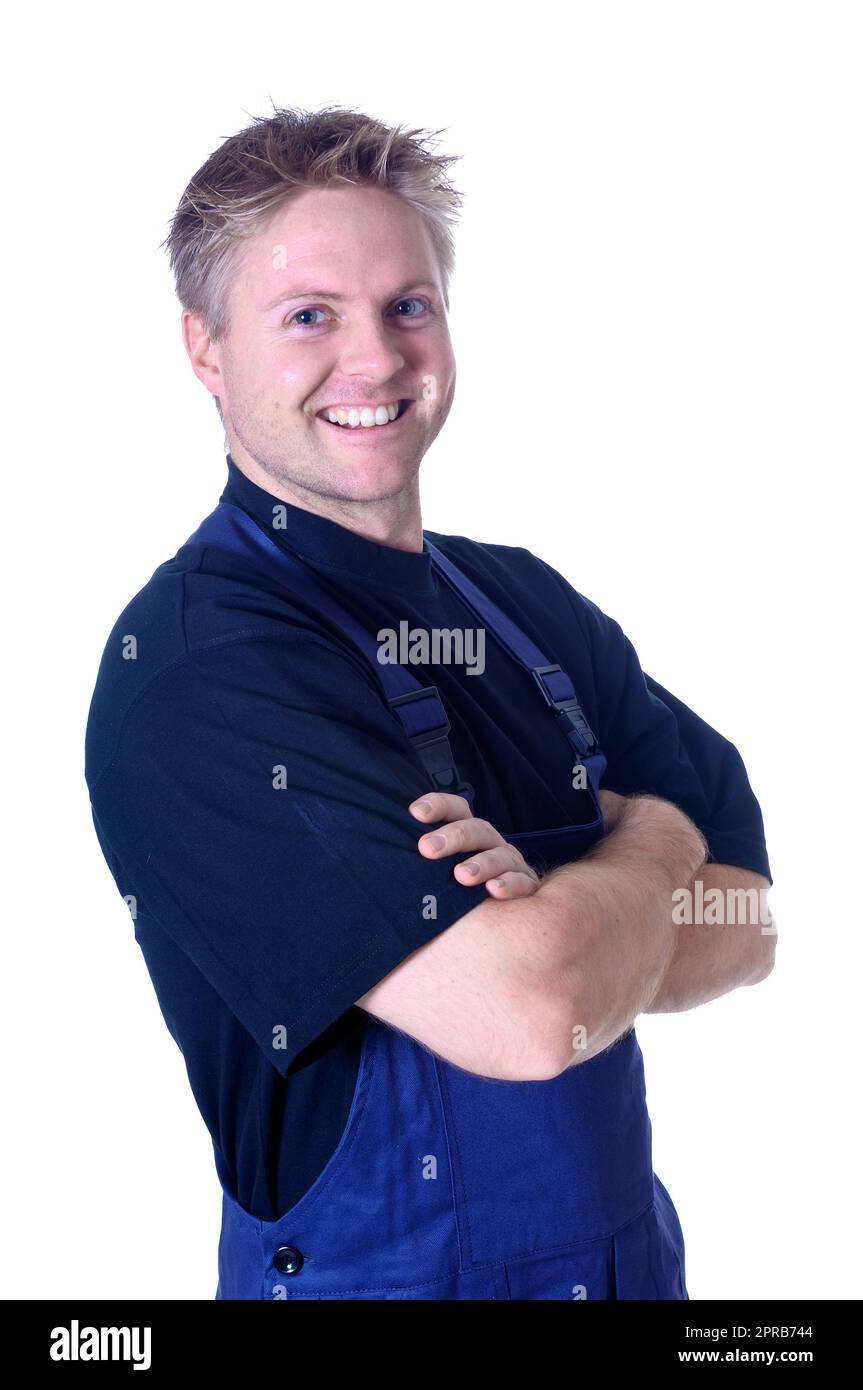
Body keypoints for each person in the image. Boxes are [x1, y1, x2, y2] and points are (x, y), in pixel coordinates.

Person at [84, 105, 775, 1300]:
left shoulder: (527, 606)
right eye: (309, 317)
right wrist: (652, 841)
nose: (375, 360)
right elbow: (531, 1010)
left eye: (408, 305)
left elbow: (750, 925)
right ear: (204, 349)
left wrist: (568, 911)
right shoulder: (201, 673)